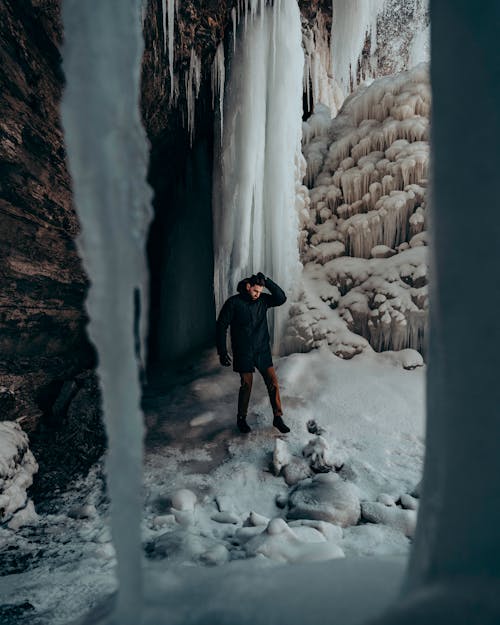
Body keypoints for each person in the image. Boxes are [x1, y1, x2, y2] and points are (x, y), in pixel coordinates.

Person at [216, 272, 290, 434]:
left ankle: (278, 417)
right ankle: (241, 419)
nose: (258, 294)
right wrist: (222, 352)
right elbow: (221, 326)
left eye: (260, 291)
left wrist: (268, 282)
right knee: (246, 385)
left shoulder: (262, 300)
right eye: (256, 290)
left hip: (262, 350)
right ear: (248, 287)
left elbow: (281, 298)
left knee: (273, 382)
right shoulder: (234, 303)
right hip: (243, 352)